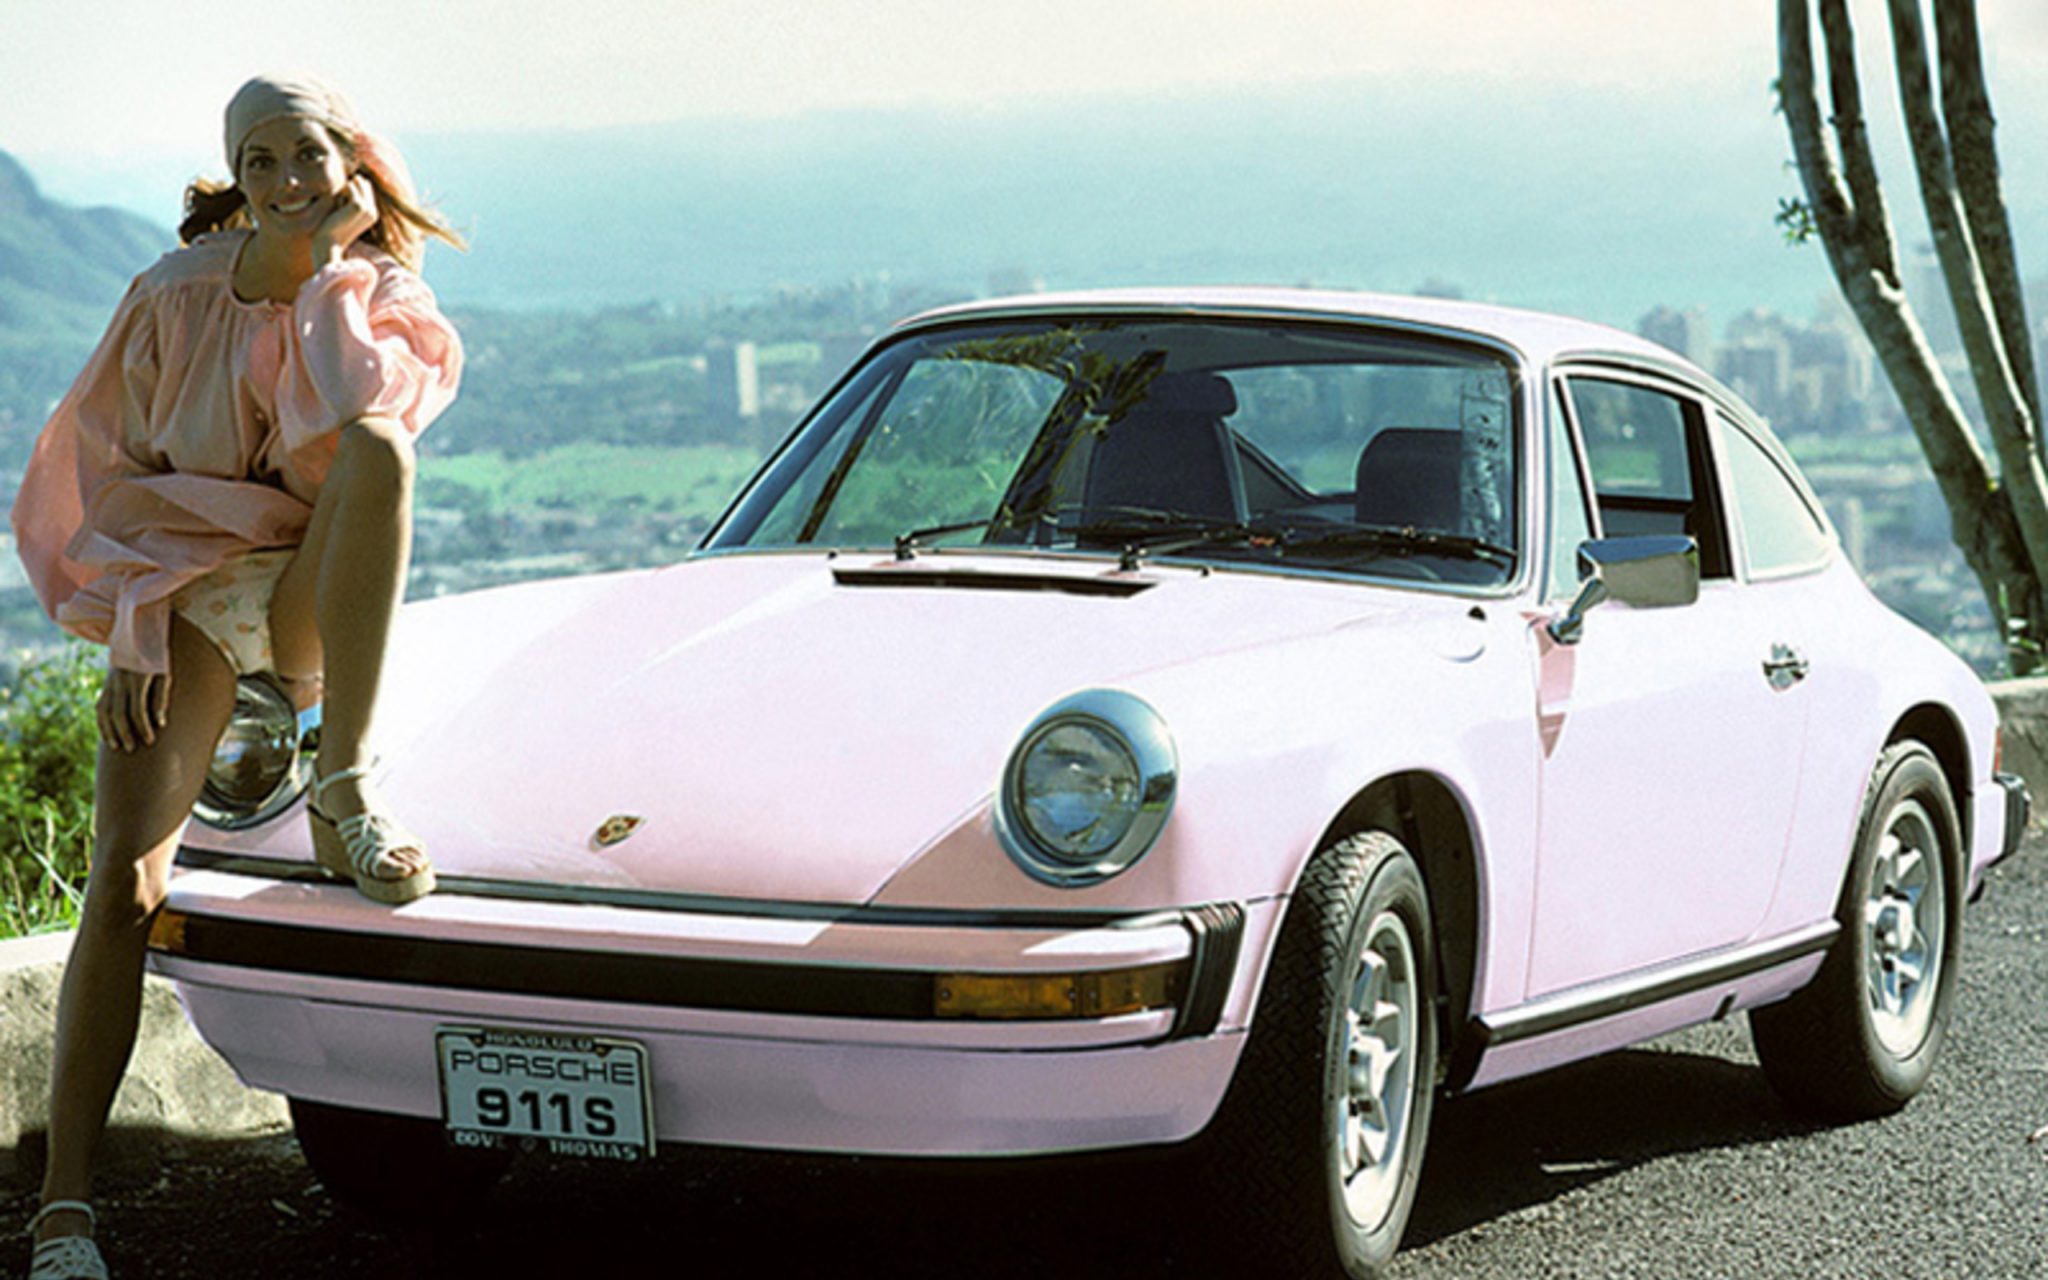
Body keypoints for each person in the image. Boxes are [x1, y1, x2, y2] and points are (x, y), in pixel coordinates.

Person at [12, 73, 464, 1280]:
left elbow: (367, 424)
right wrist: (132, 627)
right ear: (235, 174)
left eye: (306, 156)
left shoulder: (382, 296)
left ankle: (345, 789)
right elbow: (101, 472)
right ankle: (64, 1212)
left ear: (351, 162)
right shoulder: (170, 294)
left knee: (377, 447)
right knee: (122, 881)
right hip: (183, 593)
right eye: (258, 162)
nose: (281, 182)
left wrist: (327, 268)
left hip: (308, 584)